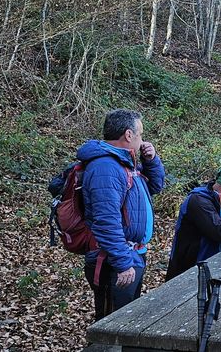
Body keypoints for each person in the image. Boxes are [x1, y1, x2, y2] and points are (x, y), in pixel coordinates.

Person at [78, 109, 166, 321]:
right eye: (140, 134)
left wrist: (151, 160)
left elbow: (155, 186)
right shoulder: (106, 167)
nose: (142, 140)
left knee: (126, 320)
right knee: (112, 323)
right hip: (114, 259)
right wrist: (123, 263)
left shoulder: (124, 162)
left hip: (130, 254)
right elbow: (105, 221)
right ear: (128, 134)